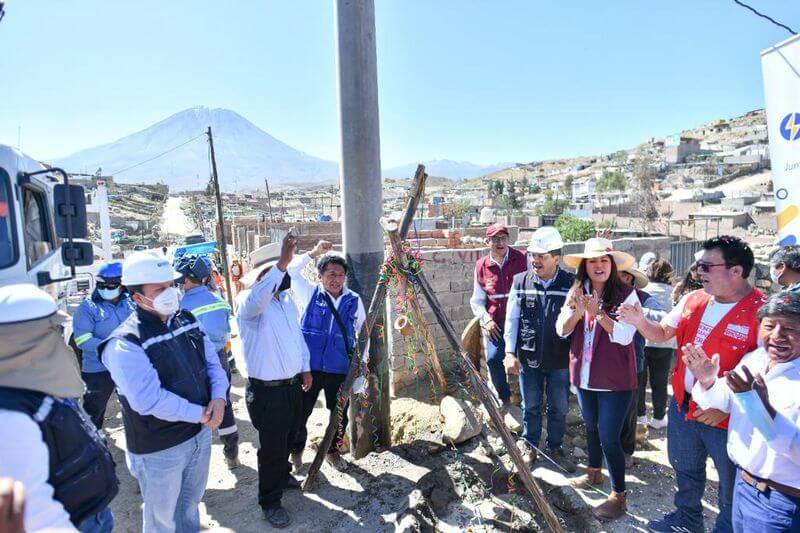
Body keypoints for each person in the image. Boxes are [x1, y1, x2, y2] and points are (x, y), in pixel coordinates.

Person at [618, 235, 764, 533]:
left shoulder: (764, 314)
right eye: (698, 265)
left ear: (736, 270)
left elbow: (768, 378)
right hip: (685, 408)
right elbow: (661, 333)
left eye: (706, 266)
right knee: (686, 470)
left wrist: (730, 411)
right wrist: (639, 322)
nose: (697, 272)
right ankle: (687, 520)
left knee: (730, 486)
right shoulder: (693, 299)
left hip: (731, 420)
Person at [99, 252, 229, 533]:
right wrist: (202, 415)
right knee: (161, 521)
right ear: (137, 298)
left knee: (189, 508)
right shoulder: (125, 343)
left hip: (198, 436)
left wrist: (219, 398)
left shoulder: (188, 319)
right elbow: (148, 400)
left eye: (170, 285)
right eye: (159, 289)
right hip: (160, 448)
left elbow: (213, 364)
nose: (169, 292)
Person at [0, 284, 118, 532]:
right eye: (55, 329)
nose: (61, 336)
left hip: (91, 513)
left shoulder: (34, 383)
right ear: (25, 339)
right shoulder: (9, 416)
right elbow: (36, 513)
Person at [684, 291, 800, 532]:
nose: (777, 336)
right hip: (744, 486)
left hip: (782, 500)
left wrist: (763, 409)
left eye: (789, 329)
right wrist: (707, 381)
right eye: (769, 326)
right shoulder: (755, 359)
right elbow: (726, 400)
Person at [555, 238, 640, 520]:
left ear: (612, 264)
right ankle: (594, 474)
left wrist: (598, 314)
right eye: (593, 261)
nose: (599, 266)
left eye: (604, 260)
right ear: (585, 266)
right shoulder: (577, 291)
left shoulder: (627, 295)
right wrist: (579, 312)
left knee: (608, 436)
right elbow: (562, 330)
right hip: (585, 375)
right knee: (591, 427)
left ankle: (619, 495)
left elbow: (626, 335)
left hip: (614, 379)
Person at [236, 233, 312, 529]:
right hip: (267, 394)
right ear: (262, 276)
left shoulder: (286, 302)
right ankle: (270, 501)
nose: (281, 275)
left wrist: (304, 367)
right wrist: (282, 261)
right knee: (271, 447)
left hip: (292, 387)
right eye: (274, 272)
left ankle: (282, 477)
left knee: (290, 435)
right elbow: (257, 299)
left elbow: (298, 338)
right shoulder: (249, 302)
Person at [287, 240, 366, 472]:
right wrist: (313, 253)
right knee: (300, 413)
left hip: (340, 369)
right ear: (320, 275)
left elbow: (364, 333)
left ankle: (333, 452)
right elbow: (291, 270)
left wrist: (362, 364)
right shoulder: (309, 293)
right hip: (308, 369)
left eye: (340, 275)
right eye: (330, 274)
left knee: (339, 415)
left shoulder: (353, 300)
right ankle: (296, 452)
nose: (335, 279)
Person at [503, 227, 575, 472]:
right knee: (531, 405)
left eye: (541, 256)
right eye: (532, 255)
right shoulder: (520, 282)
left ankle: (555, 447)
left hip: (560, 360)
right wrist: (510, 353)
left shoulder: (570, 284)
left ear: (556, 258)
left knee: (559, 407)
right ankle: (529, 445)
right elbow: (512, 319)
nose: (535, 260)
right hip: (529, 358)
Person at [175, 254, 239, 469]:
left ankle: (194, 461)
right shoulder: (219, 302)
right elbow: (226, 333)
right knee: (224, 402)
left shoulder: (180, 308)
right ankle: (232, 454)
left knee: (194, 407)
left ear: (185, 280)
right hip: (220, 357)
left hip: (193, 361)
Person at [470, 223, 528, 411]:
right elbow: (477, 301)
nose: (499, 242)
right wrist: (486, 319)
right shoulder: (481, 266)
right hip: (496, 325)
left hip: (521, 322)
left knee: (527, 360)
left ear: (508, 240)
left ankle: (529, 401)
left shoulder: (522, 259)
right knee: (493, 360)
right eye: (495, 239)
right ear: (488, 242)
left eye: (503, 238)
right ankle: (505, 398)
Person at [71, 261, 136, 429]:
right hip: (98, 369)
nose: (106, 289)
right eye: (102, 285)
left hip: (127, 365)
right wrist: (114, 346)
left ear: (122, 286)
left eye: (111, 285)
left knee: (134, 405)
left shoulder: (129, 303)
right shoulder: (87, 308)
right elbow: (83, 340)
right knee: (94, 410)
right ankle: (93, 441)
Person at [616, 264, 665, 467]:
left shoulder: (642, 298)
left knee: (628, 409)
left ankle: (626, 451)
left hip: (632, 362)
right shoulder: (602, 293)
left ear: (628, 278)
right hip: (602, 363)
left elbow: (663, 316)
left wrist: (637, 313)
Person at [640, 258, 677, 430]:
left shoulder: (642, 290)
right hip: (665, 343)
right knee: (660, 382)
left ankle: (640, 415)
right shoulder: (673, 293)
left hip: (644, 340)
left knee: (640, 380)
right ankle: (659, 417)